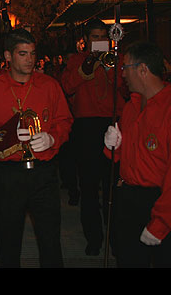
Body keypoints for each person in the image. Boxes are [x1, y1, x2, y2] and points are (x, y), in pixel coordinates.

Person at [0, 28, 73, 268]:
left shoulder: (49, 85)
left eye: (32, 53)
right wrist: (3, 137)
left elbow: (64, 121)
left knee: (50, 240)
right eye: (23, 54)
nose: (30, 59)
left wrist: (52, 138)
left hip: (44, 172)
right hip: (7, 175)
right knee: (8, 241)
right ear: (8, 56)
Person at [104, 40, 171, 268]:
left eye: (125, 68)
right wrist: (113, 145)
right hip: (129, 199)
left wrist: (160, 223)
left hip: (161, 204)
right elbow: (120, 157)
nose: (122, 75)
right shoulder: (131, 107)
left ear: (142, 69)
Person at [60, 18, 126, 256]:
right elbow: (67, 87)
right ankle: (94, 238)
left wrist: (113, 68)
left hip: (113, 123)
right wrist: (89, 64)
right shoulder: (77, 61)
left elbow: (127, 90)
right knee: (88, 186)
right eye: (94, 37)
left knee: (114, 186)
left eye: (102, 37)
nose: (98, 41)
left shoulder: (117, 60)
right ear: (86, 40)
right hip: (86, 127)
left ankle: (117, 238)